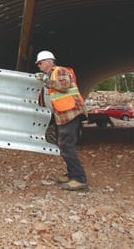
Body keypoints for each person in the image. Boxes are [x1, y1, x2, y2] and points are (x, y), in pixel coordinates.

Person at [35, 50, 88, 191]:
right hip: (64, 114)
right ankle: (72, 175)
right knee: (64, 145)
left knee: (66, 146)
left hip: (70, 112)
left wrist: (46, 80)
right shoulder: (51, 76)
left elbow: (64, 86)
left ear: (48, 61)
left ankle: (79, 179)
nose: (39, 66)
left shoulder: (59, 71)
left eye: (40, 63)